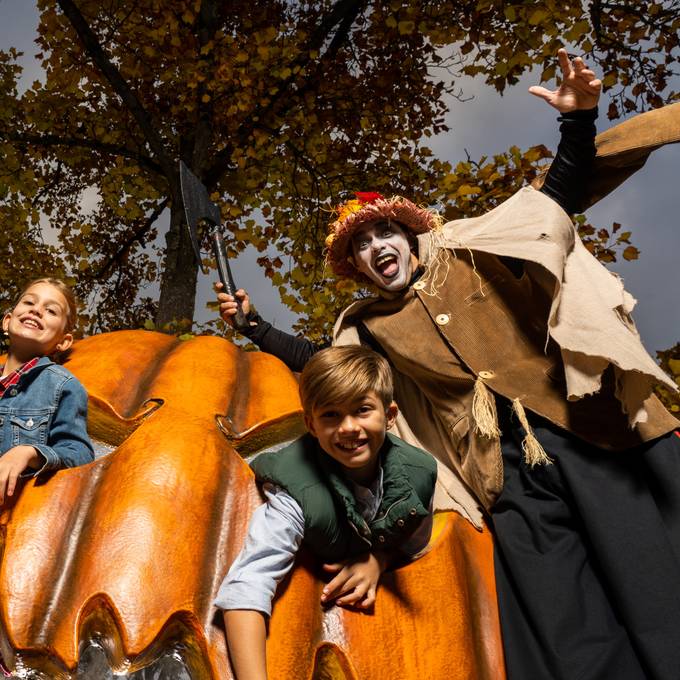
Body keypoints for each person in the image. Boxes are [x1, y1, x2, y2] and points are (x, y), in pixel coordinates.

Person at [217, 48, 680, 680]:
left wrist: (577, 121)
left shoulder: (474, 248)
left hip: (589, 430)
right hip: (502, 471)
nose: (377, 248)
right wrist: (253, 326)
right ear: (355, 268)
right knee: (563, 620)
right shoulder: (369, 328)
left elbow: (556, 202)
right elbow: (325, 365)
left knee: (654, 579)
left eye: (384, 234)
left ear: (410, 238)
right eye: (361, 246)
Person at [215, 345, 436, 680]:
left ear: (389, 416)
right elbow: (246, 586)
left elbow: (417, 532)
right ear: (311, 424)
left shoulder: (419, 471)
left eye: (362, 410)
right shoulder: (295, 492)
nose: (348, 427)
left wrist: (379, 559)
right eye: (331, 415)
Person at [0, 278, 94, 504]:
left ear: (63, 341)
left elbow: (79, 452)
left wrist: (29, 452)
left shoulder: (63, 385)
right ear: (7, 321)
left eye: (51, 310)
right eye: (29, 302)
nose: (36, 310)